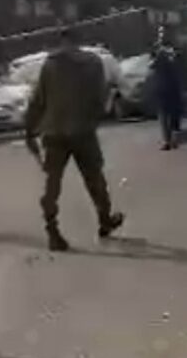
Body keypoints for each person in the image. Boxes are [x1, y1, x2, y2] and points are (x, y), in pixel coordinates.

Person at [25, 27, 125, 252]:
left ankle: (52, 230)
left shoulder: (50, 65)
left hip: (54, 132)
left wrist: (29, 129)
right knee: (95, 179)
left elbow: (38, 100)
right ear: (80, 41)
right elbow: (99, 99)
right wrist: (92, 117)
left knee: (52, 183)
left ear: (62, 41)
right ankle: (105, 219)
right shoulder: (93, 63)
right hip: (83, 131)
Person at [151, 31, 184, 150]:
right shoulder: (177, 55)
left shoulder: (160, 56)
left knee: (164, 117)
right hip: (174, 90)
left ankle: (167, 141)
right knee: (175, 115)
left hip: (163, 90)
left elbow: (153, 67)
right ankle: (175, 140)